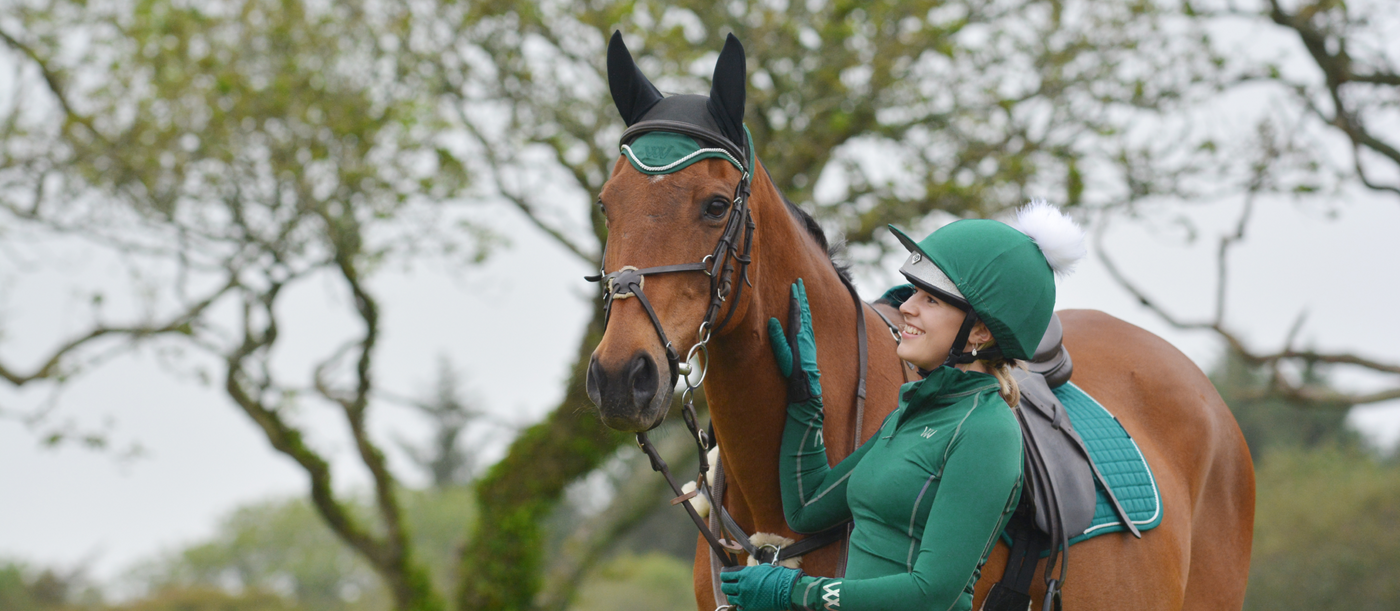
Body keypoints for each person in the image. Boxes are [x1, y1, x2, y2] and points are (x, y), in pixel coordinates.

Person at [720, 200, 1085, 611]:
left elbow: (932, 593)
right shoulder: (911, 414)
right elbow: (808, 508)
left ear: (979, 331)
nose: (907, 306)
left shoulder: (987, 431)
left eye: (931, 300)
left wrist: (794, 592)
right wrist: (805, 398)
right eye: (914, 292)